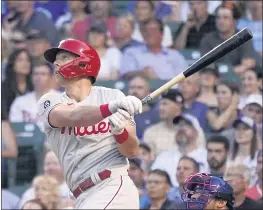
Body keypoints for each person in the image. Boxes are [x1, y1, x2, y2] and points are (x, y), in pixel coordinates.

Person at [37, 38, 142, 209]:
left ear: (84, 63)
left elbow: (131, 151)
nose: (56, 63)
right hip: (81, 196)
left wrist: (120, 132)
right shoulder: (49, 100)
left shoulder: (113, 95)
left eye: (64, 57)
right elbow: (73, 115)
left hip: (112, 185)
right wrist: (110, 108)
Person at [120, 18, 188, 80]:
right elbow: (126, 74)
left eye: (153, 30)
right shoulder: (131, 52)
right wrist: (143, 74)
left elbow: (184, 77)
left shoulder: (175, 55)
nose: (149, 33)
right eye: (146, 31)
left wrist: (156, 79)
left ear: (162, 34)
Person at [151, 113, 209, 186]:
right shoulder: (163, 157)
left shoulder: (206, 156)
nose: (181, 129)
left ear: (196, 132)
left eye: (186, 125)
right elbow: (153, 180)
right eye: (178, 126)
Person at [200, 2, 257, 75]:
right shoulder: (207, 39)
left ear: (235, 21)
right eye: (218, 17)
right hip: (214, 79)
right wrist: (232, 70)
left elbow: (248, 63)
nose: (221, 21)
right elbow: (205, 65)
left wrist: (230, 71)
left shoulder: (243, 37)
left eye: (225, 18)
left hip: (238, 81)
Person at [9, 62, 55, 132]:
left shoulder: (61, 100)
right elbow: (14, 128)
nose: (39, 77)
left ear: (51, 77)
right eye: (36, 74)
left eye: (43, 74)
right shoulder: (20, 101)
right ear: (31, 77)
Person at [143, 89, 184, 157]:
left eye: (165, 104)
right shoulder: (151, 131)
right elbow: (148, 160)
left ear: (178, 107)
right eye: (160, 104)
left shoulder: (191, 130)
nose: (161, 108)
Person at [2, 48, 34, 114]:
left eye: (28, 60)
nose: (25, 63)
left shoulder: (34, 86)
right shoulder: (3, 87)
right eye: (20, 60)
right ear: (12, 64)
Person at [128, 76, 160, 140]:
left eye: (139, 88)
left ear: (148, 92)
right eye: (132, 87)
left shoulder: (156, 115)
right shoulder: (119, 114)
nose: (135, 91)